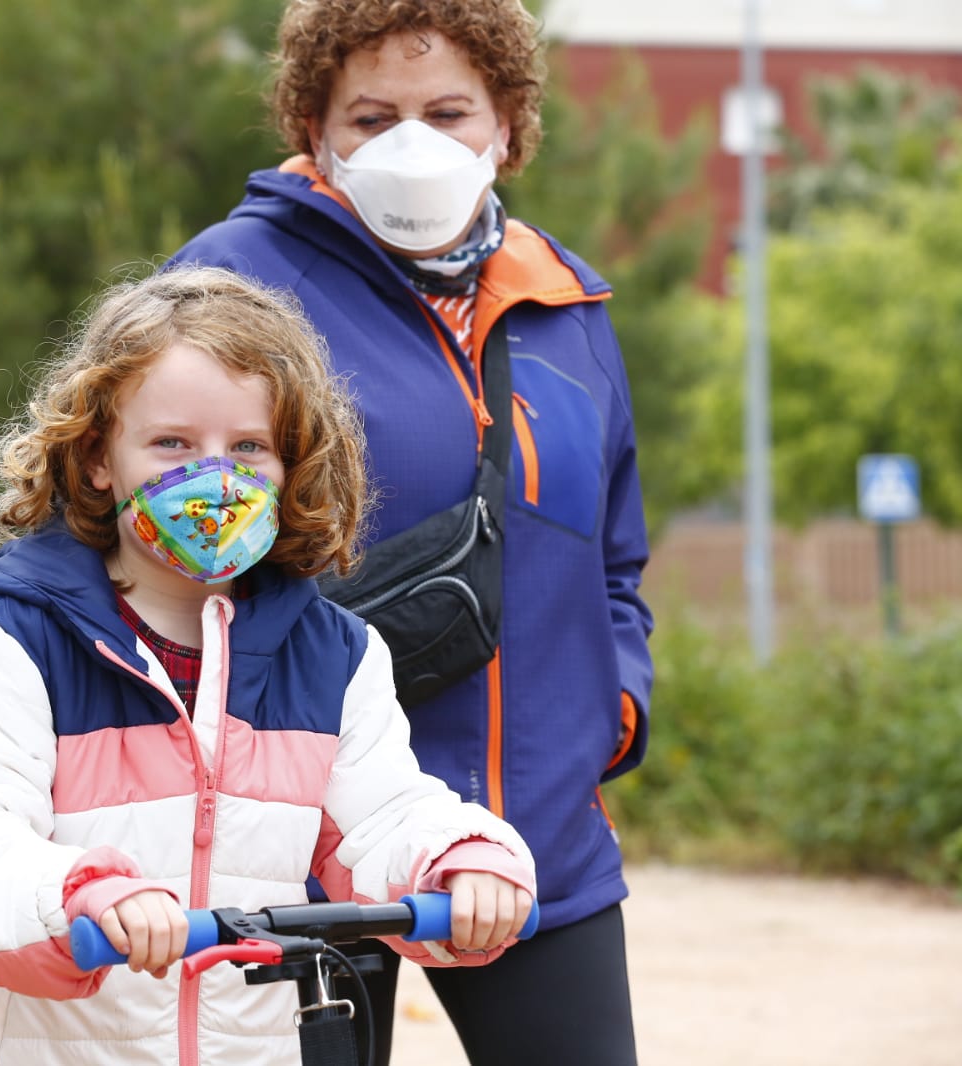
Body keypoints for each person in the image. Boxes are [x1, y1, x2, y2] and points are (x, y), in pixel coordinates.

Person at [0, 266, 537, 1066]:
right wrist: (81, 895)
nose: (213, 477)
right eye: (172, 443)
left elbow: (378, 817)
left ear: (292, 462)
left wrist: (456, 860)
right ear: (98, 458)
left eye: (247, 448)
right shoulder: (16, 638)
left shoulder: (333, 657)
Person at [169, 3, 655, 1064]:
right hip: (300, 845)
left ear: (508, 123)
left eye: (447, 111)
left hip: (536, 844)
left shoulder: (566, 302)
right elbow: (163, 552)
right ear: (314, 122)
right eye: (373, 115)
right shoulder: (230, 288)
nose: (413, 143)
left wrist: (610, 708)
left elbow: (612, 560)